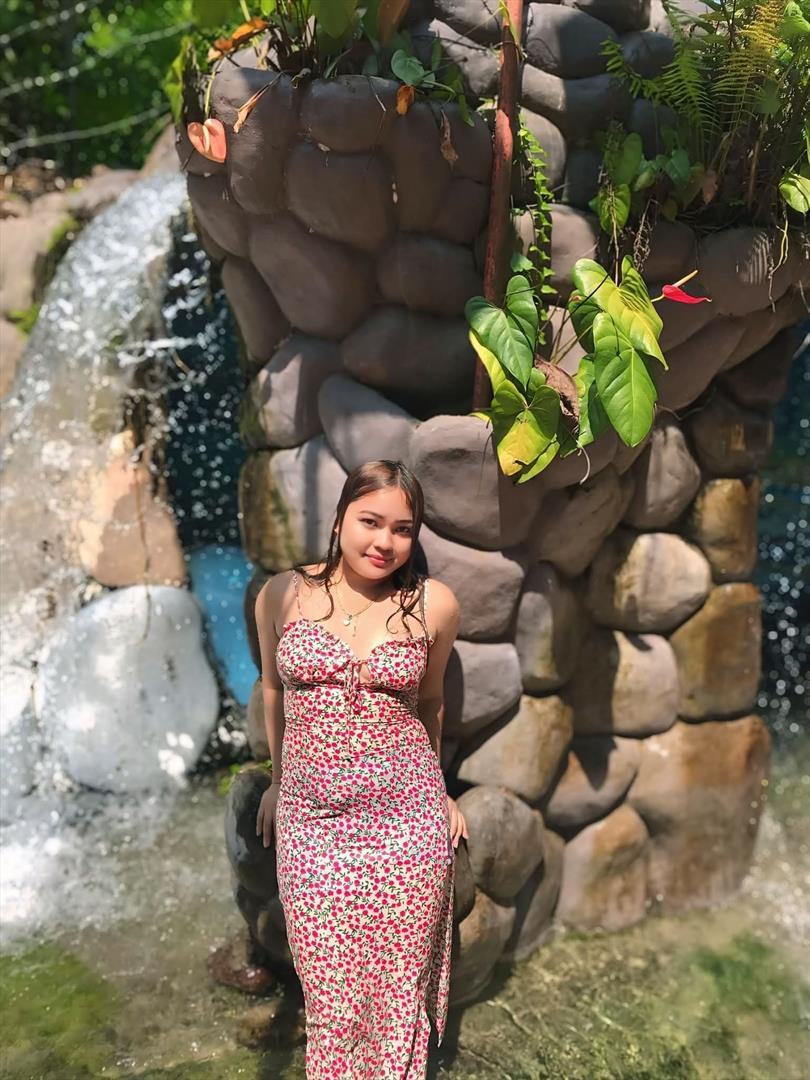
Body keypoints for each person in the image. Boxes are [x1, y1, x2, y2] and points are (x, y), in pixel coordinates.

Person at [253, 459, 467, 1077]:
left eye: (402, 529)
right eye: (370, 522)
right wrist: (277, 780)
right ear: (340, 518)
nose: (385, 542)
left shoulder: (434, 605)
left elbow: (430, 701)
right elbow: (273, 690)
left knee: (397, 999)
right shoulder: (282, 594)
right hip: (313, 821)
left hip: (406, 818)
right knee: (331, 999)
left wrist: (440, 792)